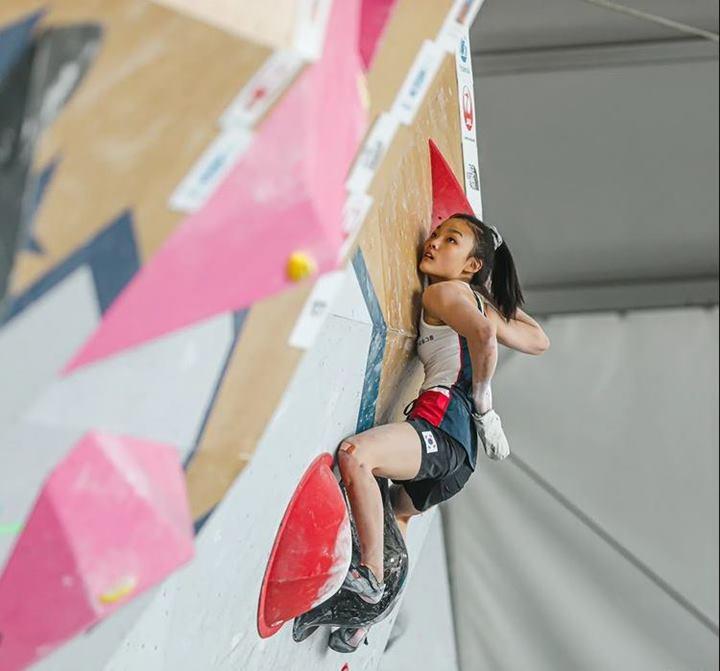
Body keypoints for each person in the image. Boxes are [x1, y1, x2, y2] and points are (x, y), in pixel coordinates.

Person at [337, 213, 550, 605]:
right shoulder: (479, 304)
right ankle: (370, 617)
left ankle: (370, 576)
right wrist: (486, 286)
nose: (433, 242)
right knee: (395, 513)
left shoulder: (443, 294)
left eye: (451, 240)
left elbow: (484, 335)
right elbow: (539, 340)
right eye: (436, 234)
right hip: (462, 457)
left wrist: (485, 404)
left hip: (441, 426)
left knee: (356, 456)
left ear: (471, 265)